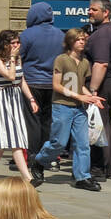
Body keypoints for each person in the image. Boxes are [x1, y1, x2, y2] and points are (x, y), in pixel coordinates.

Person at [31, 28, 105, 192]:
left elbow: (81, 86)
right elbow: (56, 85)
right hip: (62, 106)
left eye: (83, 40)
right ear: (70, 41)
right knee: (59, 142)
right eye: (78, 39)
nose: (82, 42)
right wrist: (79, 97)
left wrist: (92, 97)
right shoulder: (62, 59)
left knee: (83, 144)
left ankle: (82, 177)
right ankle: (39, 160)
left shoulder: (85, 62)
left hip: (79, 109)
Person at [0, 30, 39, 182]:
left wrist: (31, 99)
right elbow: (10, 76)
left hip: (15, 98)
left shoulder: (17, 59)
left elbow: (20, 80)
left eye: (18, 42)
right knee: (4, 140)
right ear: (5, 44)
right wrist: (11, 58)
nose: (17, 45)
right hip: (3, 99)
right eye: (13, 43)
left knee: (14, 139)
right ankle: (28, 178)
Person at [20, 2, 64, 157]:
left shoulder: (26, 35)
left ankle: (32, 155)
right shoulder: (61, 35)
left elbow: (20, 58)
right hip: (53, 84)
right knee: (48, 121)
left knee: (32, 120)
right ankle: (49, 156)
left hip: (32, 82)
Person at [85, 0, 111, 180]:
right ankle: (107, 168)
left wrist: (92, 91)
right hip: (108, 82)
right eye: (89, 9)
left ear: (106, 13)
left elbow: (100, 64)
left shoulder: (102, 34)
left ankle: (99, 168)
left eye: (94, 10)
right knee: (106, 125)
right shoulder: (106, 32)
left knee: (97, 126)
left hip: (102, 84)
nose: (89, 12)